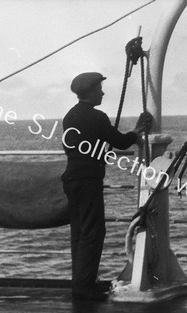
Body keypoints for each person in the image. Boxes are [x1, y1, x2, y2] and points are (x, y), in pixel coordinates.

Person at [62, 72, 152, 301]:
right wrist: (137, 130)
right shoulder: (97, 117)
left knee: (79, 233)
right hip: (88, 180)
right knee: (93, 232)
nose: (102, 92)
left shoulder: (70, 116)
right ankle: (84, 287)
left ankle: (80, 283)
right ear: (90, 91)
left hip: (72, 179)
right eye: (99, 88)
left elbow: (83, 145)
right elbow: (121, 141)